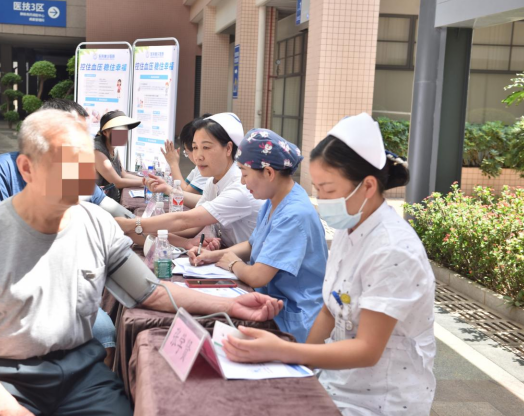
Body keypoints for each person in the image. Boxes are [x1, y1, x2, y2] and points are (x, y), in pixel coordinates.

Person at [0, 109, 283, 416]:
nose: (84, 177)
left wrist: (232, 305)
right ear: (27, 168)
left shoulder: (95, 224)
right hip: (5, 376)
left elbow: (151, 293)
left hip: (78, 373)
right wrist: (4, 408)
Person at [221, 113, 436, 415]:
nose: (321, 200)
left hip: (381, 398)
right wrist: (302, 369)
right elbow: (329, 308)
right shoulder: (352, 229)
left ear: (368, 186)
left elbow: (367, 349)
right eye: (318, 189)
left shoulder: (393, 250)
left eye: (329, 190)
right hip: (337, 381)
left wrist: (287, 352)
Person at [0, 98, 125, 368]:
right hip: (14, 296)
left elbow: (114, 213)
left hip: (66, 292)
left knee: (104, 334)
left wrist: (154, 229)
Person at [188, 129, 327, 342]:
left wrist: (233, 264)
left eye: (245, 174)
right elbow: (253, 245)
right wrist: (213, 256)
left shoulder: (293, 214)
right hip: (271, 302)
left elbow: (257, 276)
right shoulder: (275, 199)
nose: (243, 183)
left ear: (269, 173)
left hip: (294, 316)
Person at [117, 113, 264, 248]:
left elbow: (185, 220)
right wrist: (146, 231)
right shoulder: (212, 182)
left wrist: (134, 224)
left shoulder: (240, 186)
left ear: (228, 148)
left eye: (206, 147)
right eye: (195, 148)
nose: (198, 156)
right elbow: (192, 227)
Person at [94, 111, 144, 202]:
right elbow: (117, 182)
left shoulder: (113, 148)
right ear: (105, 132)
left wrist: (146, 180)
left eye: (125, 130)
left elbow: (123, 174)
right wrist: (145, 182)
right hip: (94, 202)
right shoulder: (97, 151)